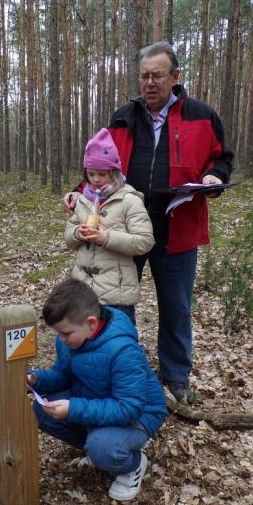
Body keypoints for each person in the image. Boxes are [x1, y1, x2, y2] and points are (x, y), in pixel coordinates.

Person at [63, 42, 233, 403]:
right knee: (115, 302)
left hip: (179, 227)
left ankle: (175, 377)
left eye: (157, 75)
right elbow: (102, 167)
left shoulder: (202, 116)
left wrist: (214, 179)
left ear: (175, 76)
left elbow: (221, 160)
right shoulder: (123, 117)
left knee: (176, 307)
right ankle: (123, 369)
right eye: (144, 76)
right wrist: (79, 193)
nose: (150, 82)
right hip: (123, 227)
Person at [28, 279, 168, 501]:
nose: (62, 339)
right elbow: (63, 375)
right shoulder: (71, 338)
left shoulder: (122, 351)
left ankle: (131, 464)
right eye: (58, 333)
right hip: (98, 398)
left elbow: (128, 408)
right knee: (42, 409)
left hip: (141, 413)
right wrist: (37, 380)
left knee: (103, 447)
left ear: (91, 324)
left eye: (66, 333)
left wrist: (73, 408)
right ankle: (98, 445)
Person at [65, 128, 154, 323]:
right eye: (91, 174)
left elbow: (145, 241)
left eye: (101, 174)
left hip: (117, 294)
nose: (95, 180)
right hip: (84, 289)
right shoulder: (84, 200)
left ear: (114, 173)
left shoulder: (129, 201)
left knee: (118, 342)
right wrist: (77, 234)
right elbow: (68, 238)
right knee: (87, 342)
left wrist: (107, 238)